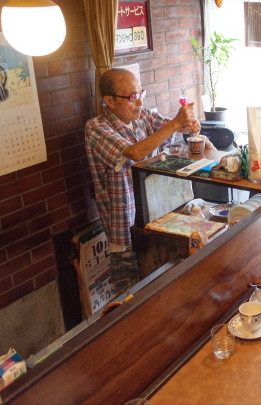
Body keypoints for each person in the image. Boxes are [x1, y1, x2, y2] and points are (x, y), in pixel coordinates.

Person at [84, 68, 200, 295]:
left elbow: (178, 127)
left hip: (157, 218)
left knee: (164, 288)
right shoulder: (96, 127)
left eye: (140, 93)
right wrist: (176, 123)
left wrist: (190, 123)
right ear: (109, 101)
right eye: (131, 97)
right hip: (125, 228)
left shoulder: (143, 116)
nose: (138, 102)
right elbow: (134, 153)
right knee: (130, 297)